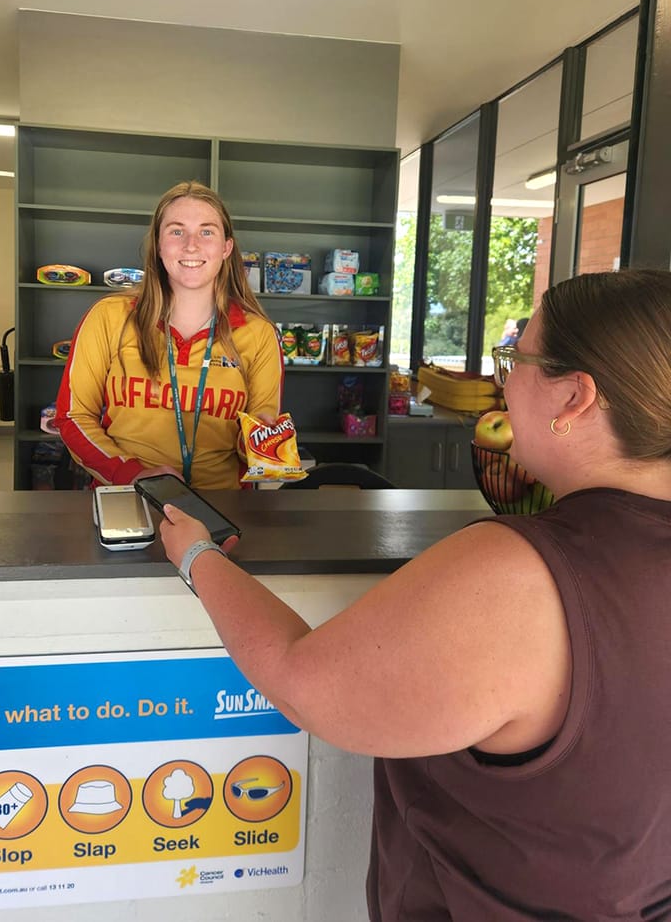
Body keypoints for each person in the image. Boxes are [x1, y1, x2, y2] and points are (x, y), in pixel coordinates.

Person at [158, 268, 671, 919]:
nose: (501, 382)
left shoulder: (521, 570)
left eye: (515, 360)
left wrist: (198, 555)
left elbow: (300, 681)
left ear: (573, 396)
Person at [56, 181, 284, 489]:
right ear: (159, 244)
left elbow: (252, 446)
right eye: (177, 231)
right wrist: (131, 474)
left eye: (207, 231)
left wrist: (262, 441)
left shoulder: (259, 334)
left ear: (226, 247)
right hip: (127, 495)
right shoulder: (109, 317)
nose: (192, 245)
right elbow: (73, 417)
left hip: (223, 506)